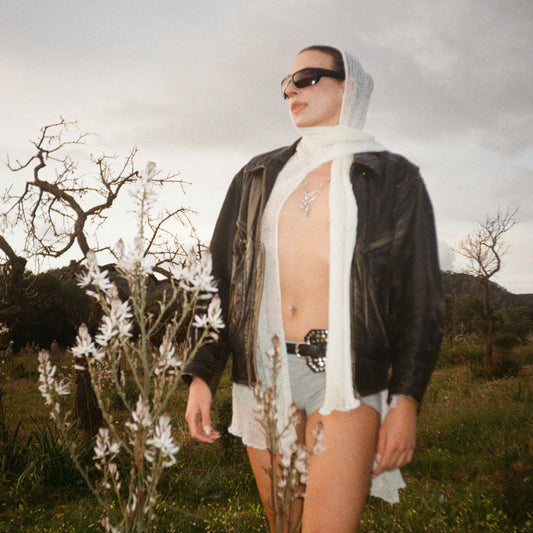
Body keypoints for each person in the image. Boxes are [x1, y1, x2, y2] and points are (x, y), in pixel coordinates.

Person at [183, 45, 443, 532]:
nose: (290, 91)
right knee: (284, 526)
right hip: (264, 373)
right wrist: (202, 375)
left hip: (344, 377)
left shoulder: (393, 179)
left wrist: (405, 401)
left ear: (348, 86)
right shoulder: (256, 176)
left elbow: (420, 300)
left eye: (305, 78)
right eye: (285, 84)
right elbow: (216, 279)